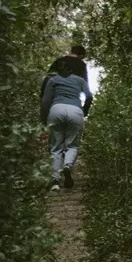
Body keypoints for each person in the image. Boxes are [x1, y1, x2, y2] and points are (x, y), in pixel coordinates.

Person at [41, 60, 92, 190]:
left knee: (56, 147)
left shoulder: (53, 80)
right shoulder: (80, 80)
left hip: (56, 109)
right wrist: (84, 110)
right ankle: (68, 165)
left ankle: (55, 182)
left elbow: (46, 101)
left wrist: (44, 118)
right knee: (72, 145)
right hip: (75, 110)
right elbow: (89, 96)